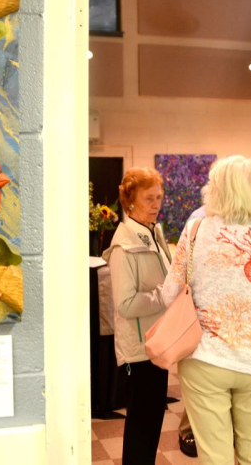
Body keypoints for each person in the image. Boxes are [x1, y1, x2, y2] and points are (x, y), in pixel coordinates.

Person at [161, 156, 251, 465]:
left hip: (204, 359)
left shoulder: (196, 229)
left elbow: (168, 295)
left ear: (215, 191)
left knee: (214, 457)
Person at [102, 167, 173, 464]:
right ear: (130, 202)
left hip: (158, 343)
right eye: (149, 198)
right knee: (140, 429)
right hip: (139, 350)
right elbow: (126, 305)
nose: (156, 204)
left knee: (152, 422)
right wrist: (164, 295)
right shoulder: (124, 247)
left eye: (159, 197)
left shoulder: (153, 233)